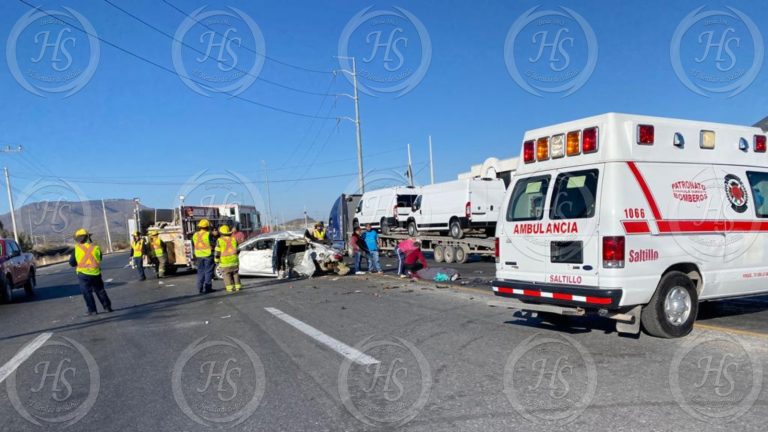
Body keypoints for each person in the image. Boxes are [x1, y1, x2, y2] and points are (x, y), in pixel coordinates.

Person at [69, 229, 112, 316]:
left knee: (87, 292)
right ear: (88, 237)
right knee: (100, 290)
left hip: (83, 274)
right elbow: (99, 259)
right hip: (95, 273)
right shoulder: (96, 248)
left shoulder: (76, 249)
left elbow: (72, 263)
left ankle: (92, 310)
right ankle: (107, 307)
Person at [215, 225, 241, 293]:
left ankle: (230, 288)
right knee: (235, 274)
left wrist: (216, 260)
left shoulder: (219, 240)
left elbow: (217, 251)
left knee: (226, 275)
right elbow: (238, 249)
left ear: (221, 233)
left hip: (225, 262)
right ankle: (238, 287)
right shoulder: (233, 239)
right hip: (234, 261)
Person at [193, 219, 215, 294]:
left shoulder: (195, 234)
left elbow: (194, 244)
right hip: (208, 254)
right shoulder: (209, 234)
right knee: (208, 271)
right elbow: (213, 244)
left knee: (200, 271)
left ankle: (199, 288)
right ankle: (208, 288)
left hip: (198, 255)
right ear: (207, 227)